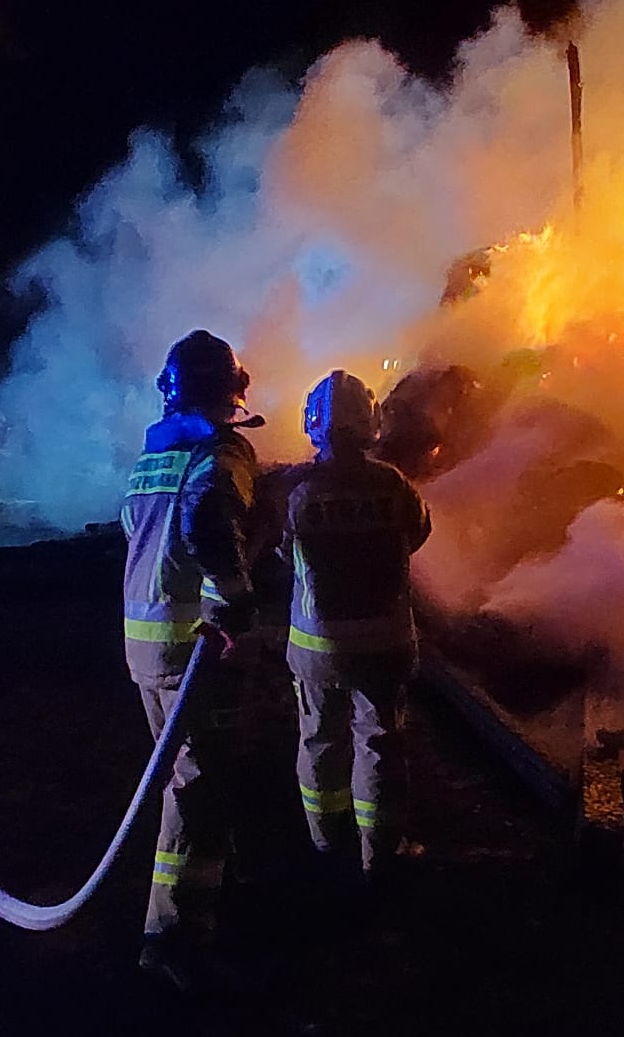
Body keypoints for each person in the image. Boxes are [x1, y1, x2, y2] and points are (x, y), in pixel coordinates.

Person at [123, 330, 262, 992]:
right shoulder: (220, 451)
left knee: (186, 781)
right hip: (189, 649)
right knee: (195, 788)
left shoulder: (153, 456)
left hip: (145, 643)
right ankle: (172, 937)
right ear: (230, 391)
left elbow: (140, 533)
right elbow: (210, 521)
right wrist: (234, 605)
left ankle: (214, 890)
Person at [280, 371, 432, 886]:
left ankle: (327, 844)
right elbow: (417, 534)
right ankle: (380, 855)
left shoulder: (297, 490)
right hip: (385, 641)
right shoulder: (392, 483)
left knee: (320, 739)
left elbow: (280, 552)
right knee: (380, 742)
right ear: (370, 423)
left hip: (317, 644)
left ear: (313, 424)